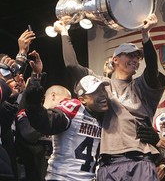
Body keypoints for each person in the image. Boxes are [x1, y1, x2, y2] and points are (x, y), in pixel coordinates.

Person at [54, 13, 165, 181]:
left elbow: (151, 67)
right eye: (130, 55)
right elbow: (72, 65)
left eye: (137, 57)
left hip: (140, 158)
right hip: (108, 163)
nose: (135, 59)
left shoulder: (142, 86)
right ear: (115, 59)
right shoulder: (100, 84)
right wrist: (64, 32)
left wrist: (145, 34)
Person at [21, 50, 109, 180]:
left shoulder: (103, 116)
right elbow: (44, 121)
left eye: (102, 90)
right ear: (82, 99)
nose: (102, 94)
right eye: (95, 92)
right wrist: (35, 83)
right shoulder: (74, 108)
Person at [15, 85, 71, 181]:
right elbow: (28, 134)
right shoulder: (26, 114)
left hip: (55, 172)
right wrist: (47, 120)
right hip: (31, 171)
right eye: (65, 101)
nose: (67, 105)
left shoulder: (63, 121)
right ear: (53, 96)